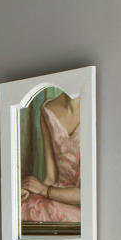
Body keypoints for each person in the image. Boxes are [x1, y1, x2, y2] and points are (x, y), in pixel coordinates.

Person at [20, 91, 81, 225]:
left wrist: (44, 190)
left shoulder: (95, 108)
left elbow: (88, 195)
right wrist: (28, 189)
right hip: (56, 192)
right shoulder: (48, 109)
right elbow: (50, 178)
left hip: (82, 203)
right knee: (26, 207)